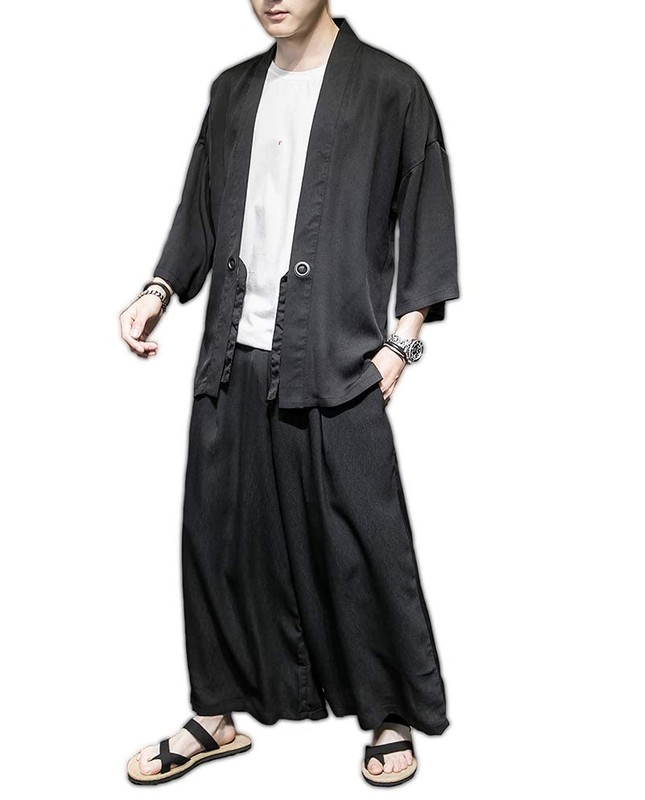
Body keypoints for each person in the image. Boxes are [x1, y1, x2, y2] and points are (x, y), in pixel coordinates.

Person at [120, 1, 459, 787]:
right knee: (218, 538)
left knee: (364, 540)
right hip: (234, 354)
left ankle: (387, 710)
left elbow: (426, 210)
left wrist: (403, 343)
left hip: (337, 358)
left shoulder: (391, 88)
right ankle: (216, 714)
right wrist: (159, 288)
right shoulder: (233, 91)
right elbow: (199, 210)